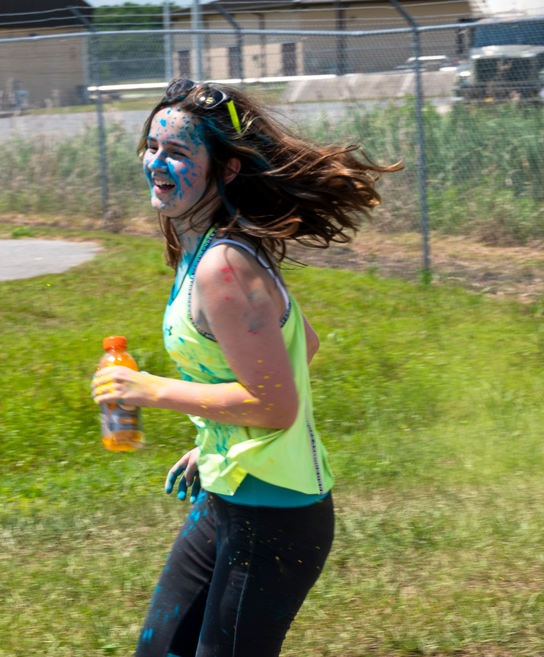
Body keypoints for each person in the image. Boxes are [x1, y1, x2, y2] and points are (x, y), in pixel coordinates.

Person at [91, 78, 402, 657]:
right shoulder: (201, 247)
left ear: (227, 170)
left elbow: (277, 406)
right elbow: (301, 345)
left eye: (179, 152)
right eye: (152, 147)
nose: (157, 162)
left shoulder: (223, 266)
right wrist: (219, 433)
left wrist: (151, 389)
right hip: (229, 496)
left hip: (276, 520)